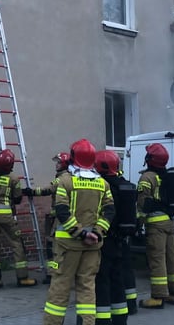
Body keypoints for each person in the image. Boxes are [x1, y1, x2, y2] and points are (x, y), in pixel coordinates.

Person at [43, 139, 115, 325]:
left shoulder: (65, 181)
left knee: (60, 288)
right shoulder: (102, 183)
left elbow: (61, 211)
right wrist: (96, 233)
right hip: (92, 246)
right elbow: (109, 211)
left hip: (67, 246)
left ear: (73, 157)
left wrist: (81, 233)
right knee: (87, 288)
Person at [93, 150, 137, 325]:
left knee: (102, 279)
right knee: (118, 279)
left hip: (105, 239)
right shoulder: (124, 185)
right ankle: (120, 318)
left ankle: (102, 320)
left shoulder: (102, 185)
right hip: (120, 240)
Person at [0, 149, 37, 288]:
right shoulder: (13, 179)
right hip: (6, 216)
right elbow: (18, 198)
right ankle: (22, 278)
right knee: (17, 243)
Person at [136, 142, 174, 309]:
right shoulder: (167, 176)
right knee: (172, 257)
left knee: (157, 259)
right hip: (170, 221)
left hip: (156, 224)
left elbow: (142, 205)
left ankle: (158, 297)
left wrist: (137, 224)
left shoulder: (147, 177)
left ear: (149, 159)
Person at [23, 151, 71, 284]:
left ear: (65, 164)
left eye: (59, 162)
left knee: (53, 247)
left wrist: (30, 191)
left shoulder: (61, 179)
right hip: (64, 218)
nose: (56, 165)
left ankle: (53, 274)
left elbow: (47, 190)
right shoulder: (69, 177)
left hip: (58, 220)